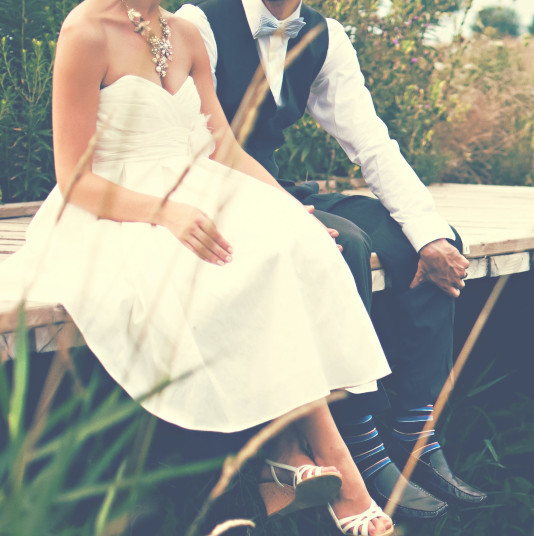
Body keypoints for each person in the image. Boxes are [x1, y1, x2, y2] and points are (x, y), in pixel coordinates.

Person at [0, 0, 397, 534]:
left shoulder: (185, 32)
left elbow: (224, 148)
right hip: (118, 207)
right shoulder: (86, 30)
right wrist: (164, 213)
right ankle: (335, 468)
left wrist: (287, 207)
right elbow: (73, 177)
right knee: (226, 270)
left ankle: (290, 459)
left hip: (198, 187)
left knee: (292, 247)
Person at [174, 0, 487, 517]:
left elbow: (371, 142)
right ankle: (357, 440)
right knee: (345, 245)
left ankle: (414, 433)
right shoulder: (201, 21)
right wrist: (293, 214)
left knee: (427, 237)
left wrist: (428, 234)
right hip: (214, 195)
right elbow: (196, 139)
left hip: (277, 187)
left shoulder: (324, 35)